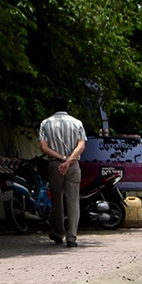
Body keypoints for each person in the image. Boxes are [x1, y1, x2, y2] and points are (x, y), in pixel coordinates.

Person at [38, 96, 88, 247]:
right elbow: (81, 145)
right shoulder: (77, 123)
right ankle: (72, 237)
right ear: (67, 107)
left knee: (56, 200)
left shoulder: (45, 123)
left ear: (52, 107)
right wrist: (69, 160)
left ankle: (58, 233)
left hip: (55, 165)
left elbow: (44, 147)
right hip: (73, 165)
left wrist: (62, 159)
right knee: (73, 201)